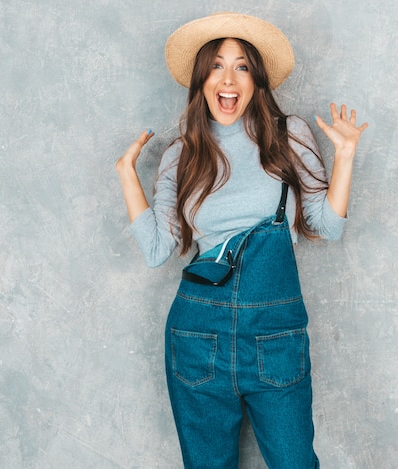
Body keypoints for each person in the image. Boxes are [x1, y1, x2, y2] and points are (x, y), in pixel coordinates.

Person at [115, 12, 367, 468]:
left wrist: (346, 157)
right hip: (197, 336)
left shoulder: (289, 136)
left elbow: (326, 226)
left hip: (274, 336)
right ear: (202, 78)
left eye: (242, 66)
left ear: (257, 80)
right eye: (216, 65)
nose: (228, 79)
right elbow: (157, 251)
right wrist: (126, 175)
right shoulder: (181, 153)